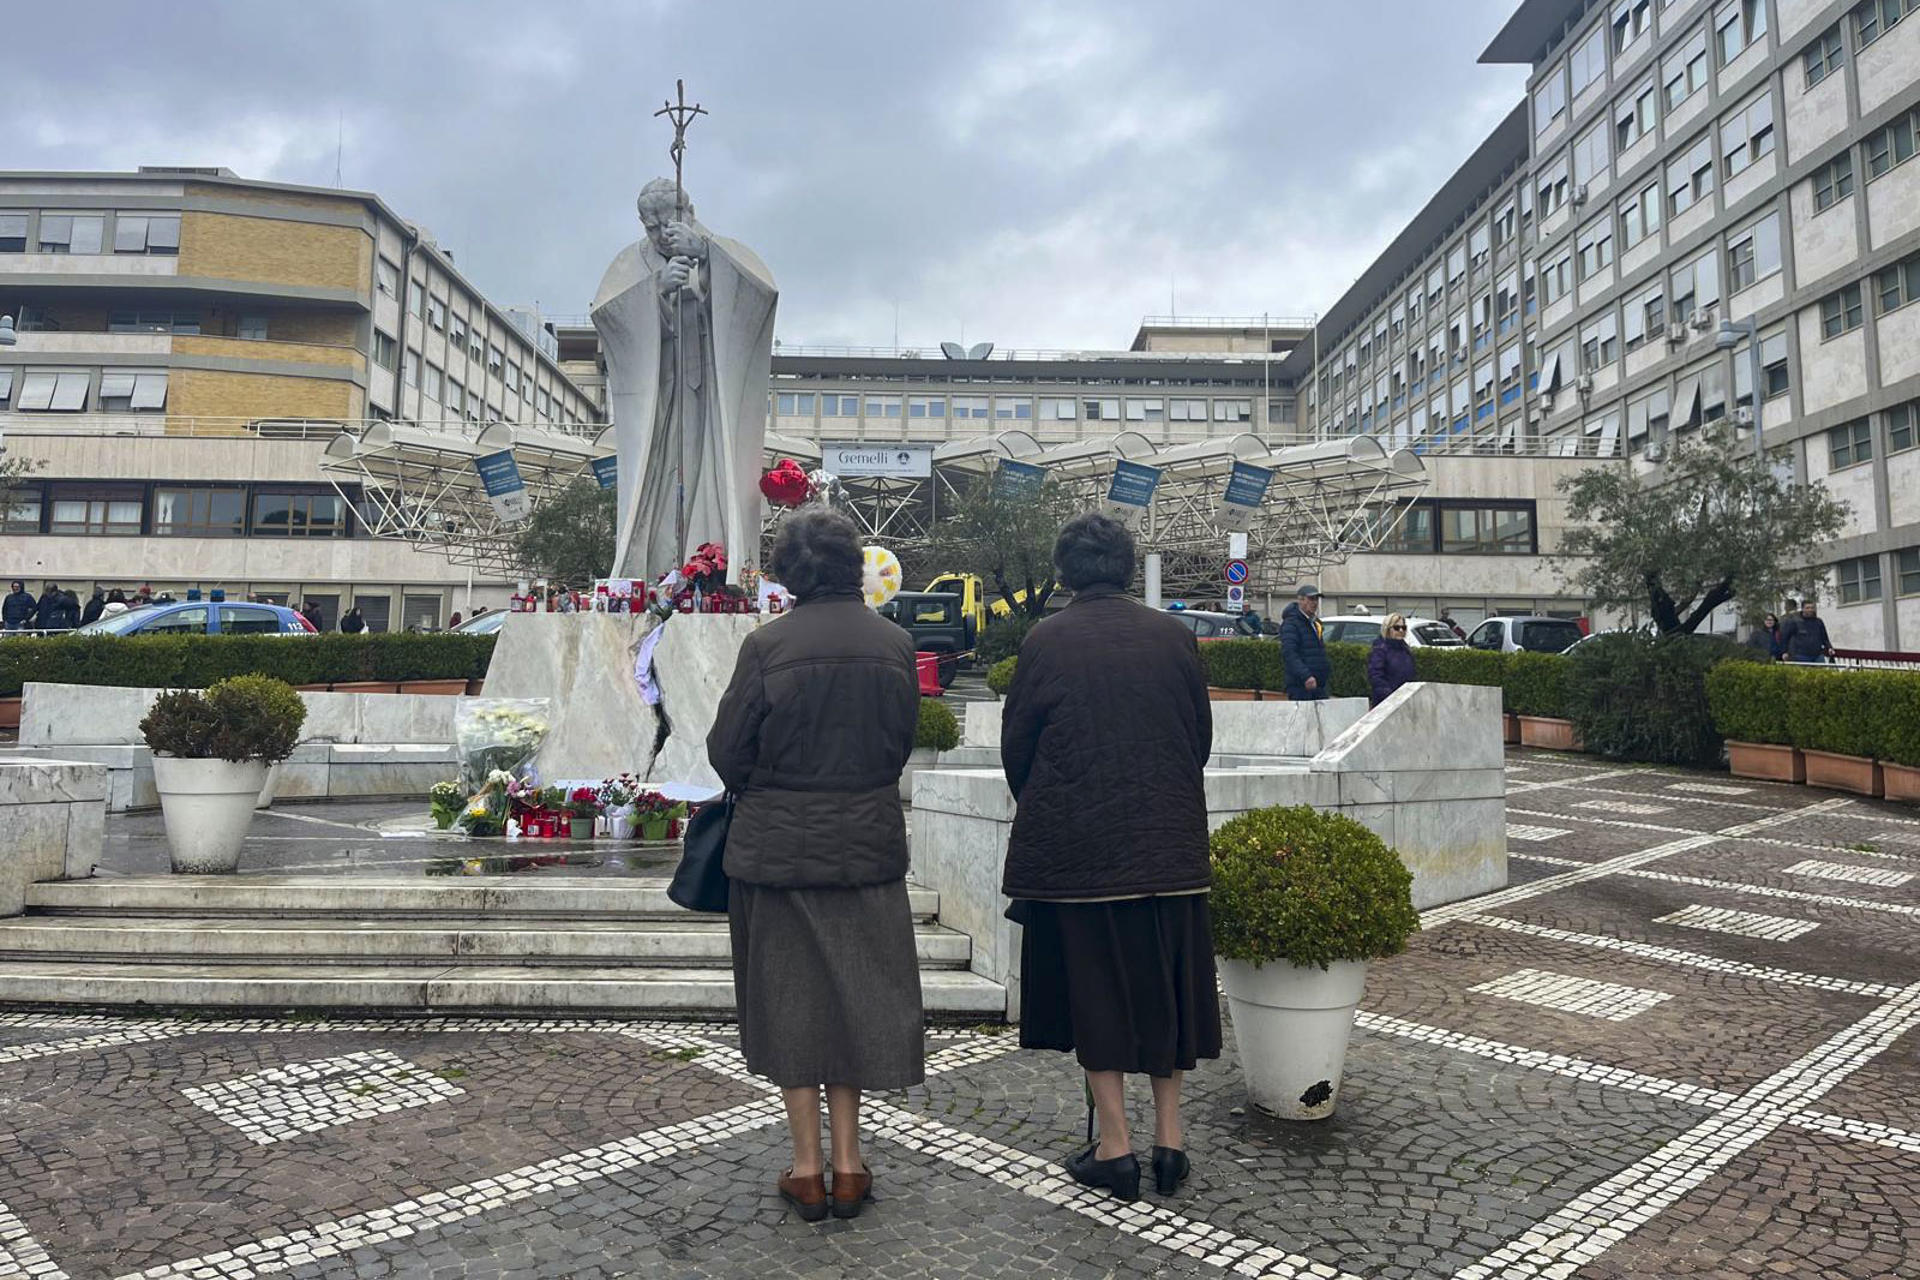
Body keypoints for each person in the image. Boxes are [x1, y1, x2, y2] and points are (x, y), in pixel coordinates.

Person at [708, 508, 923, 1224]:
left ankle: (806, 1169)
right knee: (857, 998)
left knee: (790, 1001)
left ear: (787, 574)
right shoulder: (894, 643)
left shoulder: (767, 645)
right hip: (864, 843)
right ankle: (851, 1165)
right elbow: (898, 744)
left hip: (777, 849)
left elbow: (727, 752)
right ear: (852, 565)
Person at [1000, 512, 1221, 1204]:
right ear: (1125, 568)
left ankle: (1115, 1146)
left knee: (1095, 993)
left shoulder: (1046, 640)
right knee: (1169, 991)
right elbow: (1198, 737)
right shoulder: (1174, 637)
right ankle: (1171, 1141)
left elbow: (1018, 751)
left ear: (1065, 574)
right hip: (1169, 848)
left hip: (1082, 855)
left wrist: (1056, 799)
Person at [1279, 583, 1331, 701]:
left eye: (1316, 599)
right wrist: (1306, 676)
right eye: (1311, 599)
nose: (1315, 603)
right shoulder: (1291, 623)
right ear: (1300, 600)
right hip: (1301, 685)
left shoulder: (1314, 622)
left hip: (1318, 683)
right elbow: (1290, 653)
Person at [1367, 613, 1417, 706]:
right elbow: (1376, 676)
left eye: (1404, 627)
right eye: (1396, 628)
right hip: (1386, 703)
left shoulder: (1406, 649)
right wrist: (1390, 696)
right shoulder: (1380, 649)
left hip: (1405, 700)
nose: (1401, 630)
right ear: (1388, 629)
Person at [1781, 599, 1833, 664]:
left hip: (1818, 655)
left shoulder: (1818, 622)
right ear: (1802, 609)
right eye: (1807, 608)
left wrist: (1829, 647)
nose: (1810, 610)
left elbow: (1824, 637)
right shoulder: (1794, 621)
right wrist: (1784, 652)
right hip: (1800, 655)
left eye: (1812, 608)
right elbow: (1785, 638)